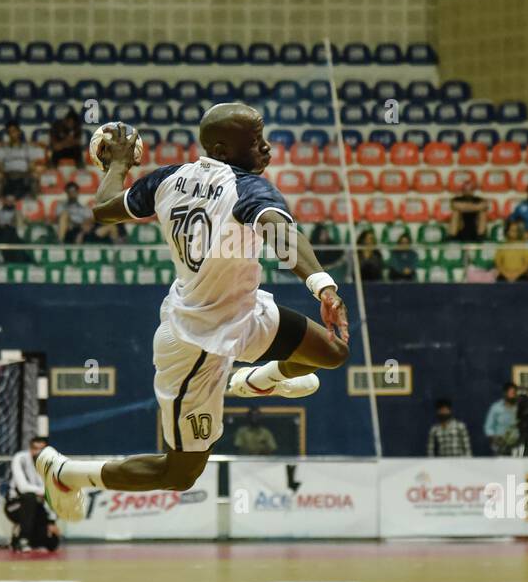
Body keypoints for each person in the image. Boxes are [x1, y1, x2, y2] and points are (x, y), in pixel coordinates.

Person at [33, 107, 349, 519]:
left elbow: (105, 206)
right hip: (196, 343)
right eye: (257, 142)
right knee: (180, 473)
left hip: (243, 312)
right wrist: (322, 285)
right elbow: (281, 232)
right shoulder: (247, 189)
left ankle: (259, 379)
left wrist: (118, 166)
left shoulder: (169, 179)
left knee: (332, 352)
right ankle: (68, 473)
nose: (267, 147)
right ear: (221, 148)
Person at [5, 437, 61, 552]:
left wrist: (51, 521)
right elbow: (23, 488)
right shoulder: (20, 459)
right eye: (35, 448)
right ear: (30, 449)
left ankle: (20, 537)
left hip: (37, 506)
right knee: (29, 497)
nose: (38, 452)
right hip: (14, 505)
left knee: (52, 543)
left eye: (42, 449)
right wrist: (46, 492)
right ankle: (23, 539)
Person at [483, 383, 520, 455]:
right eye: (511, 393)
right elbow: (488, 427)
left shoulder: (519, 408)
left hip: (517, 445)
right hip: (500, 445)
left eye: (514, 393)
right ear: (505, 393)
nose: (513, 395)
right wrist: (494, 438)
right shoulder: (496, 407)